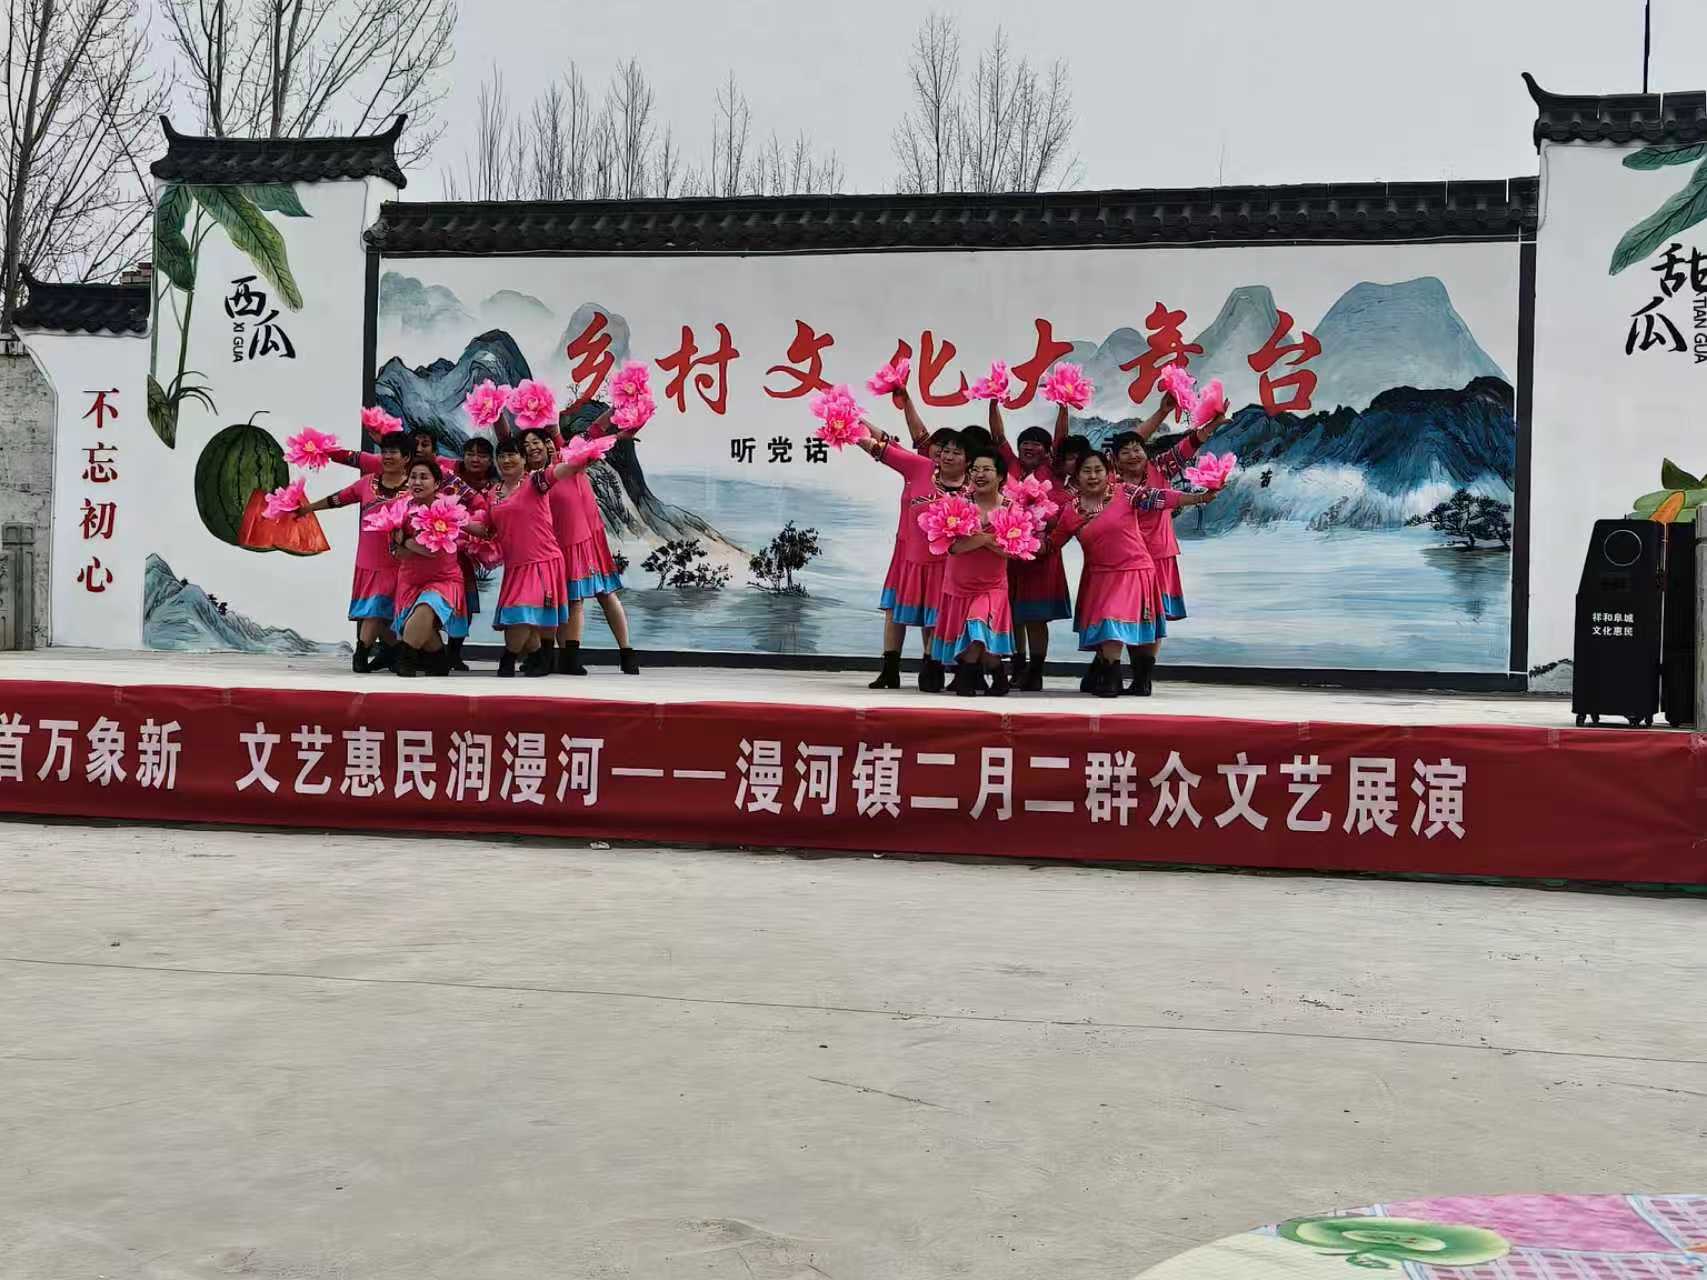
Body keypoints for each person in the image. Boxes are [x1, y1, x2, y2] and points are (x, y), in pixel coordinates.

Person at [1051, 450, 1217, 697]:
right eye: (1087, 471)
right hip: (1099, 576)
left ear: (1109, 473)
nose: (1093, 476)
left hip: (1134, 571)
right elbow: (1052, 543)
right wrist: (1014, 542)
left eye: (1098, 470)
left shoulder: (1126, 493)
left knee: (1114, 620)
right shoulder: (1070, 511)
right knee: (1108, 624)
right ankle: (1112, 678)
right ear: (1076, 476)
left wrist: (1200, 498)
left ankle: (1137, 680)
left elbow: (1161, 498)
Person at [1114, 396, 1230, 692]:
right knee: (1129, 614)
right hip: (1125, 558)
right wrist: (1162, 411)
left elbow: (1188, 445)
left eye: (1137, 449)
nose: (1133, 455)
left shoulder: (1160, 468)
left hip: (1159, 554)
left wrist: (1213, 425)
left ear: (1145, 451)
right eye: (1125, 452)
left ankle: (1143, 678)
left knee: (1153, 616)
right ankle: (1128, 672)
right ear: (1115, 459)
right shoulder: (1110, 481)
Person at [855, 425, 970, 692]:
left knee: (936, 616)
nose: (947, 455)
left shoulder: (974, 487)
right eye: (945, 450)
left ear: (968, 460)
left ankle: (933, 664)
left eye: (956, 452)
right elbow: (881, 447)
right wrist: (850, 425)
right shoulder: (920, 467)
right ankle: (890, 670)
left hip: (947, 565)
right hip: (908, 558)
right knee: (895, 612)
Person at [525, 419, 641, 676]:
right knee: (564, 599)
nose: (536, 447)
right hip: (554, 545)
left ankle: (626, 652)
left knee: (602, 594)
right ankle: (563, 656)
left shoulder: (568, 458)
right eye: (528, 445)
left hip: (585, 539)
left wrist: (620, 433)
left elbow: (597, 433)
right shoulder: (530, 478)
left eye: (541, 442)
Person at [297, 429, 411, 673]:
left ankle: (381, 652)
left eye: (393, 452)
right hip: (369, 560)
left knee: (383, 611)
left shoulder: (415, 488)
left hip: (400, 561)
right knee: (375, 609)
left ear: (406, 458)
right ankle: (371, 653)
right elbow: (338, 499)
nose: (387, 457)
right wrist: (308, 508)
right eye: (384, 452)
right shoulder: (367, 483)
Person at [462, 437, 571, 677]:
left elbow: (562, 471)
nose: (506, 460)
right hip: (515, 566)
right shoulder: (493, 493)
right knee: (523, 614)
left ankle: (509, 659)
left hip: (542, 560)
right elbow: (487, 530)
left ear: (523, 459)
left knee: (523, 613)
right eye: (501, 456)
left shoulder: (536, 482)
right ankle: (537, 657)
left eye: (512, 455)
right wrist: (455, 522)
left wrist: (586, 455)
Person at [989, 399, 1072, 689]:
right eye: (1025, 442)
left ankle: (1036, 672)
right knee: (1013, 614)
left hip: (1041, 556)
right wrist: (993, 401)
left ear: (1048, 451)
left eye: (1037, 443)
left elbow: (1062, 439)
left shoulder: (1054, 470)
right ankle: (1018, 666)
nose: (1029, 447)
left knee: (1036, 617)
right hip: (1010, 555)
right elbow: (998, 436)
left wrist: (1064, 406)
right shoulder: (1010, 466)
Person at [931, 444, 1022, 697]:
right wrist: (989, 538)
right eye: (975, 469)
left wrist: (979, 538)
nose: (980, 474)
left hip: (992, 585)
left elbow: (1013, 551)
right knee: (981, 641)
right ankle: (998, 676)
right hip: (959, 583)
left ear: (1000, 476)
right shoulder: (957, 504)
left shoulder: (1011, 508)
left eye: (987, 470)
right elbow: (953, 548)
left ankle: (966, 677)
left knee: (978, 626)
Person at [391, 460, 469, 678]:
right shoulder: (401, 509)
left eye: (424, 477)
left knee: (427, 606)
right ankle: (439, 660)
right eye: (413, 477)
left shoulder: (447, 510)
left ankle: (405, 661)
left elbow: (433, 551)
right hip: (410, 581)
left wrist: (405, 541)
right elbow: (397, 553)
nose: (417, 482)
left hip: (444, 579)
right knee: (418, 623)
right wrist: (405, 545)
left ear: (436, 484)